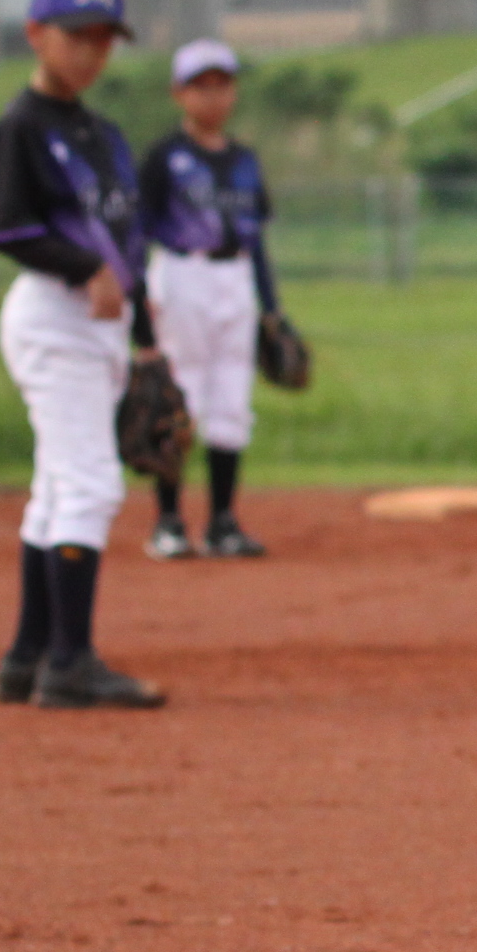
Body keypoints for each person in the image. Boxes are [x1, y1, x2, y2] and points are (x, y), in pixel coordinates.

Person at [0, 0, 164, 711]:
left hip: (99, 320)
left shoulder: (103, 135)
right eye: (76, 35)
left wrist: (147, 338)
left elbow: (128, 242)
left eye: (103, 38)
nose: (91, 51)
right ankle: (71, 663)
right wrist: (85, 267)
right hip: (54, 314)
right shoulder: (20, 127)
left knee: (58, 489)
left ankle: (27, 658)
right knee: (91, 485)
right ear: (36, 35)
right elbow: (6, 227)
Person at [139, 37, 275, 561]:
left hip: (235, 278)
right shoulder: (164, 157)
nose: (213, 96)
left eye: (222, 85)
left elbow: (257, 239)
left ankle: (222, 522)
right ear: (179, 93)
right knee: (180, 397)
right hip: (182, 275)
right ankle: (169, 523)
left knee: (231, 399)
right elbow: (137, 233)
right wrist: (141, 296)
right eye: (201, 86)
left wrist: (272, 307)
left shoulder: (245, 160)